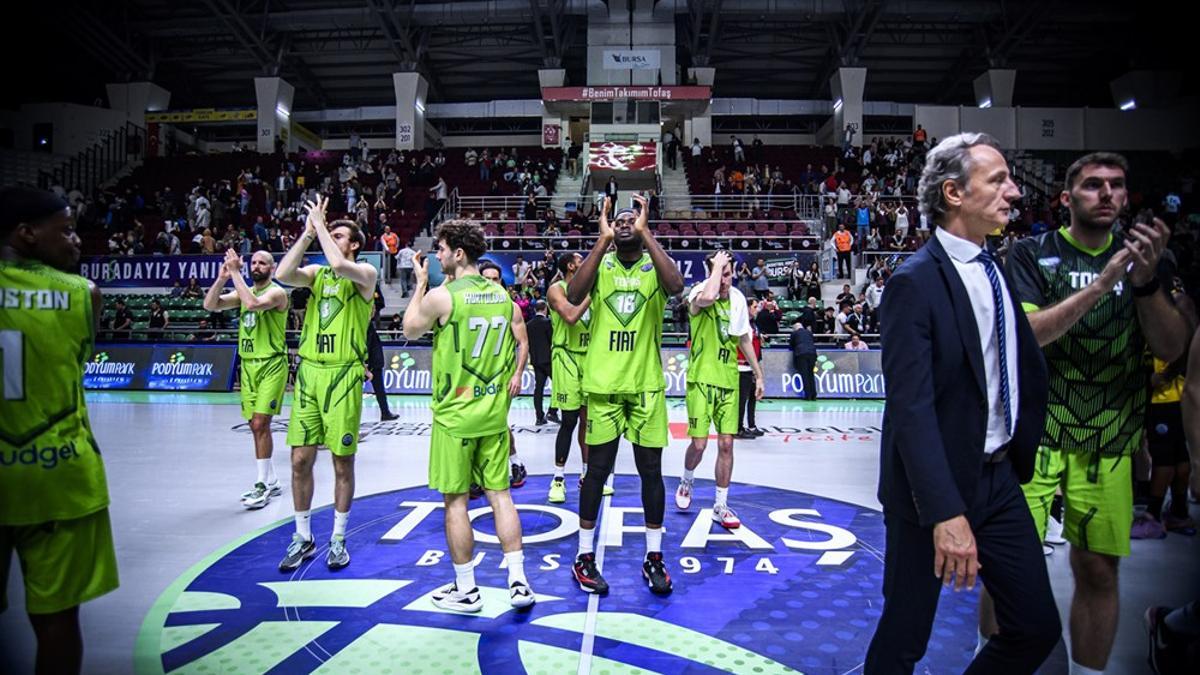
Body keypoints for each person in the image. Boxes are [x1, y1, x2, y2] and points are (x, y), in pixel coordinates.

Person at [864, 132, 1060, 673]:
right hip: (929, 493)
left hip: (998, 479)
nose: (1014, 192)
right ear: (953, 193)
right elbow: (912, 409)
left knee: (1036, 626)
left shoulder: (997, 267)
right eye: (998, 180)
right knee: (905, 638)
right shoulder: (913, 283)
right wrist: (945, 513)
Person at [995, 152, 1191, 674]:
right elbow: (1027, 336)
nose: (1106, 194)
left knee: (1099, 570)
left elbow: (1173, 349)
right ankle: (988, 663)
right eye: (1092, 185)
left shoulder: (1151, 262)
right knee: (1009, 569)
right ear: (1066, 198)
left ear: (1128, 197)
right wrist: (1103, 284)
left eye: (1117, 186)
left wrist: (1145, 283)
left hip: (1110, 438)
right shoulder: (1031, 254)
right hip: (1032, 434)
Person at [0, 187, 118, 674]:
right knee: (56, 621)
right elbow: (76, 359)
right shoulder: (82, 293)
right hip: (61, 471)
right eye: (66, 229)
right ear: (27, 233)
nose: (76, 241)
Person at [401, 220, 535, 611]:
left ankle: (467, 590)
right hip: (493, 415)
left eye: (441, 249)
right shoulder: (502, 297)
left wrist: (421, 283)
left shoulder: (444, 296)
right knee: (501, 497)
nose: (438, 256)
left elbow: (410, 330)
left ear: (459, 253)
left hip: (455, 416)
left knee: (456, 503)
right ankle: (519, 582)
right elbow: (518, 342)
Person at [566, 195, 684, 596]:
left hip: (646, 386)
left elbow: (677, 286)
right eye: (618, 218)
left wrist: (647, 231)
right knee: (596, 473)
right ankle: (583, 557)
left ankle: (653, 557)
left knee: (651, 473)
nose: (624, 222)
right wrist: (600, 241)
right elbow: (571, 290)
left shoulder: (654, 267)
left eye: (632, 218)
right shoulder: (601, 265)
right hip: (603, 387)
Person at [274, 196, 377, 572]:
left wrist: (319, 224)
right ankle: (303, 536)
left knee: (341, 461)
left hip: (343, 375)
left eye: (338, 234)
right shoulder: (317, 274)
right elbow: (284, 274)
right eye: (330, 232)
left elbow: (338, 261)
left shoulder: (364, 272)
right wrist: (305, 234)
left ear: (353, 244)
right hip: (309, 373)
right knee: (300, 459)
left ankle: (338, 538)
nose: (330, 237)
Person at [674, 251, 764, 529]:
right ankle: (686, 481)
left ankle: (720, 506)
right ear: (710, 272)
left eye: (728, 273)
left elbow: (743, 339)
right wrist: (715, 269)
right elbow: (708, 298)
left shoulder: (738, 299)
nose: (724, 280)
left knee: (726, 444)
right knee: (699, 444)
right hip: (701, 381)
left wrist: (758, 375)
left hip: (728, 381)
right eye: (719, 272)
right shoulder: (699, 292)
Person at [202, 249, 290, 509]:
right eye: (253, 262)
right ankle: (272, 479)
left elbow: (252, 303)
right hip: (249, 365)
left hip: (271, 363)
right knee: (255, 425)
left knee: (262, 422)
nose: (257, 265)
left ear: (272, 269)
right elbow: (210, 305)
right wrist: (222, 278)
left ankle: (262, 485)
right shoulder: (243, 291)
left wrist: (237, 273)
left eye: (263, 262)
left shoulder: (277, 293)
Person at [545, 252, 599, 504]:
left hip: (589, 357)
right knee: (569, 420)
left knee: (589, 423)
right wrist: (592, 293)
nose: (585, 262)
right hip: (565, 356)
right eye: (580, 260)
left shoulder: (592, 287)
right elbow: (570, 316)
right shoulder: (557, 289)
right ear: (570, 265)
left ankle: (587, 475)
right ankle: (558, 478)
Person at [366, 285, 398, 422]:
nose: (374, 310)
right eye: (371, 308)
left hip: (375, 362)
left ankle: (385, 412)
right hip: (365, 363)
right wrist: (365, 364)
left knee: (379, 388)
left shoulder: (369, 325)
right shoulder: (361, 326)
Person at [736, 298, 765, 439]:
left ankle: (751, 425)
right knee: (741, 399)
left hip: (752, 366)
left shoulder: (754, 325)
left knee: (753, 397)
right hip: (742, 366)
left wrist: (757, 366)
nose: (757, 309)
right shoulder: (742, 324)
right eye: (754, 306)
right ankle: (738, 427)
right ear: (746, 308)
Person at [527, 300, 553, 426]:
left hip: (536, 360)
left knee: (539, 389)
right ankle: (552, 411)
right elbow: (552, 341)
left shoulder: (529, 324)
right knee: (559, 386)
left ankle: (539, 417)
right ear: (545, 309)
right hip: (549, 360)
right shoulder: (548, 323)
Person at [790, 319, 818, 400]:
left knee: (805, 375)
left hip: (801, 353)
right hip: (812, 353)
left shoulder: (794, 333)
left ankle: (808, 395)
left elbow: (791, 345)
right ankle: (814, 395)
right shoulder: (809, 332)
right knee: (811, 374)